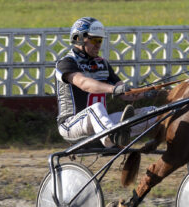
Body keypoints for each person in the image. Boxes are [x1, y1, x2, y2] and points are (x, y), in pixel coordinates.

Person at [55, 17, 156, 147]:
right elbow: (83, 83)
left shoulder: (102, 64)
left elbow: (125, 94)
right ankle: (112, 138)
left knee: (152, 112)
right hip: (70, 125)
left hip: (101, 124)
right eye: (94, 40)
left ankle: (158, 139)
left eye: (100, 40)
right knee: (96, 108)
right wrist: (112, 89)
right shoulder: (66, 63)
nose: (98, 44)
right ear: (79, 38)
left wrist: (148, 93)